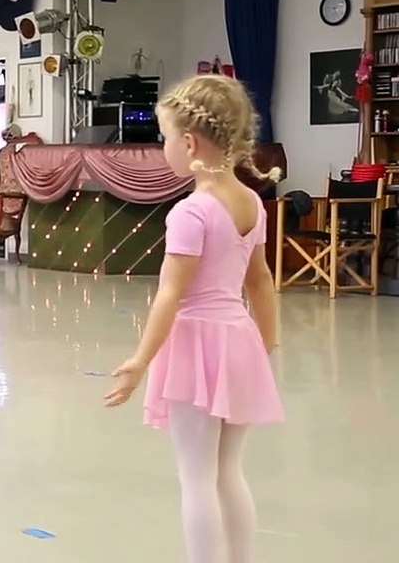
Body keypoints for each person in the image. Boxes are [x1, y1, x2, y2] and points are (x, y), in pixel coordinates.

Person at [103, 75, 283, 563]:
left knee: (197, 478)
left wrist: (140, 361)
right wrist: (265, 346)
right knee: (229, 472)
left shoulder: (190, 211)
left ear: (188, 142)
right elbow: (260, 280)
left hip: (196, 346)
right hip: (239, 340)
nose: (164, 147)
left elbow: (170, 295)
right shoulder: (250, 202)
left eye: (164, 138)